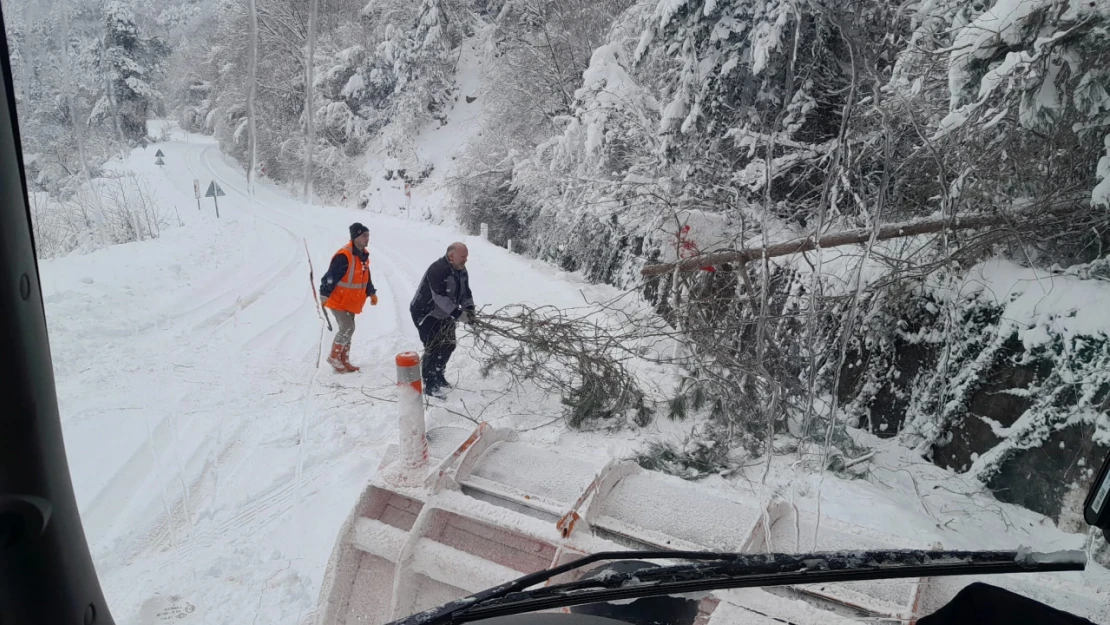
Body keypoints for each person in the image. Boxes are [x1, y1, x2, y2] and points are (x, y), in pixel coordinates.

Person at [410, 242, 475, 396]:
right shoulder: (438, 269)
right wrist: (458, 314)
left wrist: (470, 310)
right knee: (433, 347)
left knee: (449, 345)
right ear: (451, 256)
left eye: (466, 256)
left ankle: (439, 374)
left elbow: (465, 292)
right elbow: (439, 296)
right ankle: (430, 384)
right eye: (463, 256)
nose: (466, 260)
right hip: (426, 313)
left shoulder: (461, 270)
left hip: (445, 314)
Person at [320, 222, 378, 373]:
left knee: (349, 330)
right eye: (364, 235)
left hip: (351, 301)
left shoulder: (363, 255)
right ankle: (333, 357)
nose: (367, 238)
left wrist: (371, 292)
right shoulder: (344, 256)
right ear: (356, 237)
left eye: (368, 235)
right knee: (348, 327)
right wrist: (324, 294)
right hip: (338, 300)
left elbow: (366, 276)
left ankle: (344, 360)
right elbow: (329, 277)